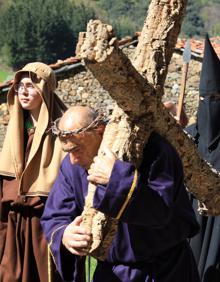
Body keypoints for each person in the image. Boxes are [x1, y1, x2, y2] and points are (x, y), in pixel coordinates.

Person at [41, 105, 200, 282]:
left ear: (99, 131)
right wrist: (65, 234)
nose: (73, 160)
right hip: (111, 275)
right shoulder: (71, 167)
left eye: (77, 149)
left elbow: (160, 211)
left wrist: (116, 178)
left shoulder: (154, 150)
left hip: (165, 271)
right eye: (68, 151)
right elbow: (54, 216)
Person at [0, 62, 67, 282]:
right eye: (19, 86)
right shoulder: (17, 129)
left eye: (30, 85)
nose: (23, 91)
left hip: (44, 223)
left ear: (45, 88)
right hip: (13, 221)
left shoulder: (63, 130)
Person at [187, 34, 220, 282]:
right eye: (203, 99)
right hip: (190, 224)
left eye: (215, 99)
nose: (208, 105)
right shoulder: (188, 138)